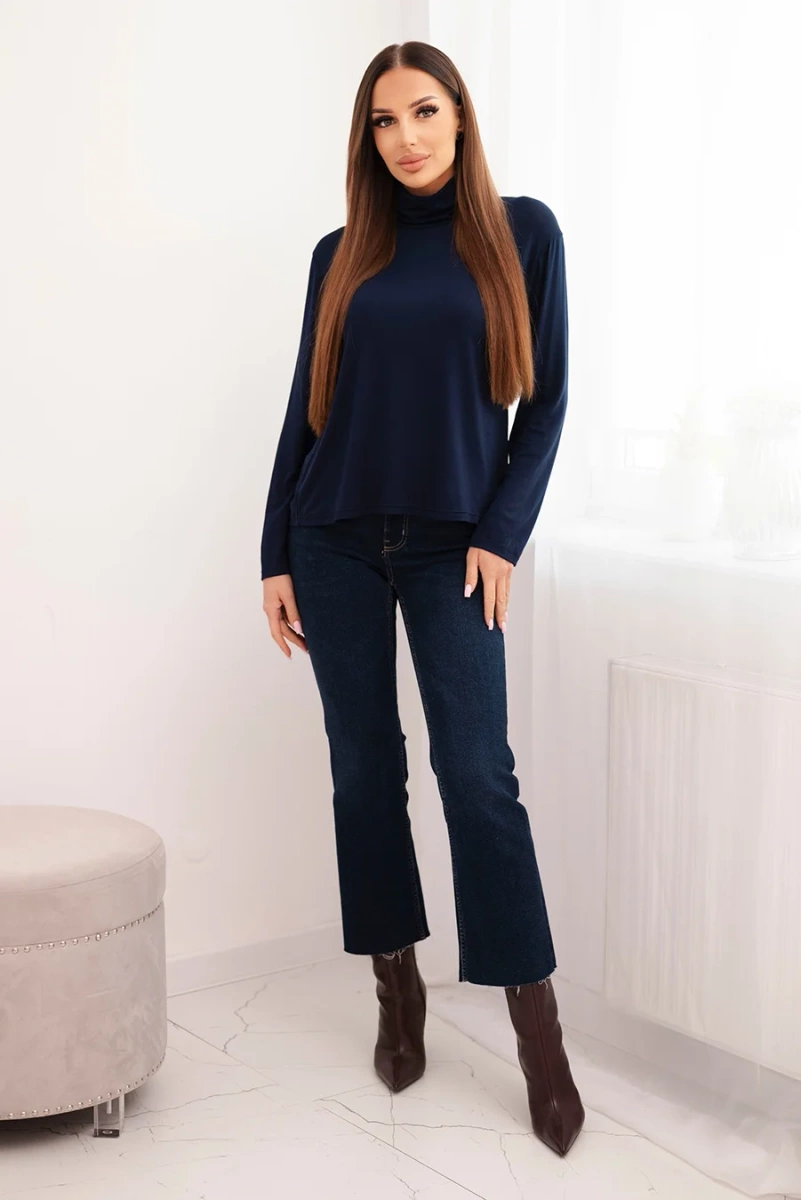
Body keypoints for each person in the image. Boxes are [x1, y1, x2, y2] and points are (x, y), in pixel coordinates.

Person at [259, 40, 584, 1158]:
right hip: (333, 538)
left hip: (456, 546)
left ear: (460, 116)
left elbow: (546, 406)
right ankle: (397, 993)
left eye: (424, 112)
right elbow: (306, 411)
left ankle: (540, 1042)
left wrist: (501, 535)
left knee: (477, 778)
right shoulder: (340, 252)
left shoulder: (523, 232)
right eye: (384, 120)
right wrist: (273, 553)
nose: (405, 136)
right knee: (365, 772)